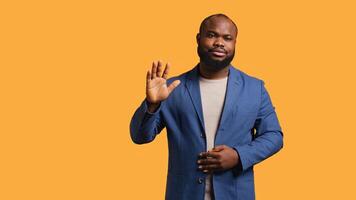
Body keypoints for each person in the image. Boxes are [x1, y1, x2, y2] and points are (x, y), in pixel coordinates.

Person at [130, 13, 283, 200]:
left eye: (227, 38)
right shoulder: (171, 88)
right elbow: (140, 137)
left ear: (235, 43)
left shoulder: (255, 88)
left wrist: (238, 156)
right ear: (198, 39)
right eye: (212, 35)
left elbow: (274, 136)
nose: (220, 42)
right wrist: (152, 105)